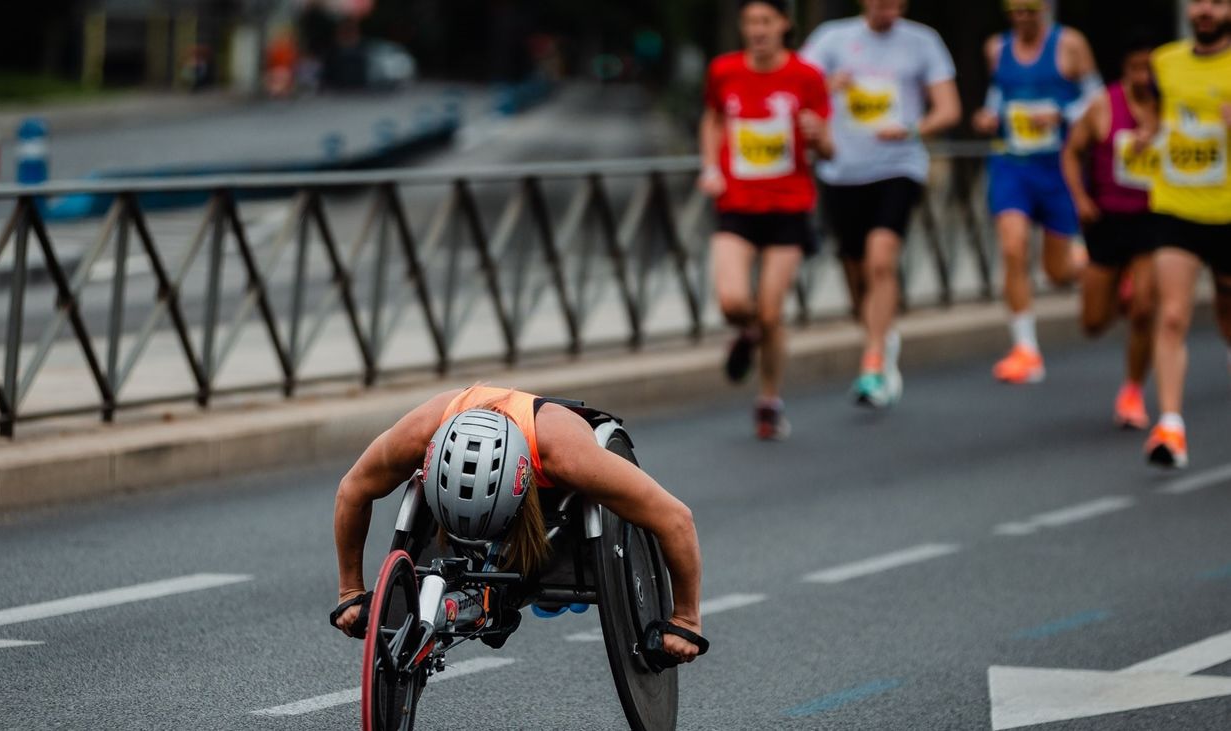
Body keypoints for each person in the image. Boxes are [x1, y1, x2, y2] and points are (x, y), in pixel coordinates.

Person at [330, 385, 706, 663]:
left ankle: (531, 573)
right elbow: (352, 491)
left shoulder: (568, 456)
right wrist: (351, 591)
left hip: (546, 460)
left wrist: (686, 619)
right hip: (460, 442)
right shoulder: (418, 433)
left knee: (559, 562)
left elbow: (675, 519)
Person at [801, 0, 961, 408]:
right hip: (842, 171)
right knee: (856, 273)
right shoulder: (832, 39)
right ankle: (881, 335)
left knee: (881, 261)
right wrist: (823, 89)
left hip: (898, 167)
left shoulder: (923, 41)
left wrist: (911, 128)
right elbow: (795, 92)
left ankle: (872, 361)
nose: (890, 6)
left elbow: (949, 109)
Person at [699, 0, 833, 439]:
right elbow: (714, 118)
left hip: (788, 207)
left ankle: (769, 402)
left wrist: (819, 135)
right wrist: (710, 166)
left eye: (765, 21)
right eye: (750, 22)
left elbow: (829, 148)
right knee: (733, 301)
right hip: (736, 203)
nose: (757, 30)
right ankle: (747, 331)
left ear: (784, 26)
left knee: (772, 311)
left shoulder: (806, 76)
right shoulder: (724, 70)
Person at [973, 0, 1101, 385]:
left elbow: (1096, 100)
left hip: (1057, 167)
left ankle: (1097, 268)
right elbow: (998, 95)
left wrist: (1061, 115)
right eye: (1014, 11)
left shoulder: (1070, 44)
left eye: (1029, 11)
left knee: (1057, 272)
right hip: (1012, 164)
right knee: (1013, 247)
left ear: (1045, 8)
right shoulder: (996, 48)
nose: (1022, 19)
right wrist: (987, 116)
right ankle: (1025, 349)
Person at [1143, 0, 1231, 469]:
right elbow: (1158, 117)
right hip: (1176, 206)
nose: (1205, 10)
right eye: (1198, 1)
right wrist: (1146, 134)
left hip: (1228, 210)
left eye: (1216, 2)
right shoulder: (1165, 62)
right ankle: (1171, 426)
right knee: (1172, 314)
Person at [1060, 35, 1161, 429]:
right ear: (1124, 70)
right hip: (1108, 219)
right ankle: (1118, 288)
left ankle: (1133, 391)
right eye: (1136, 67)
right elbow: (1070, 151)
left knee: (1144, 310)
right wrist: (1080, 199)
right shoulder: (1103, 105)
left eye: (1150, 68)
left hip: (1154, 219)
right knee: (1092, 323)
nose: (1144, 75)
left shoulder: (1171, 108)